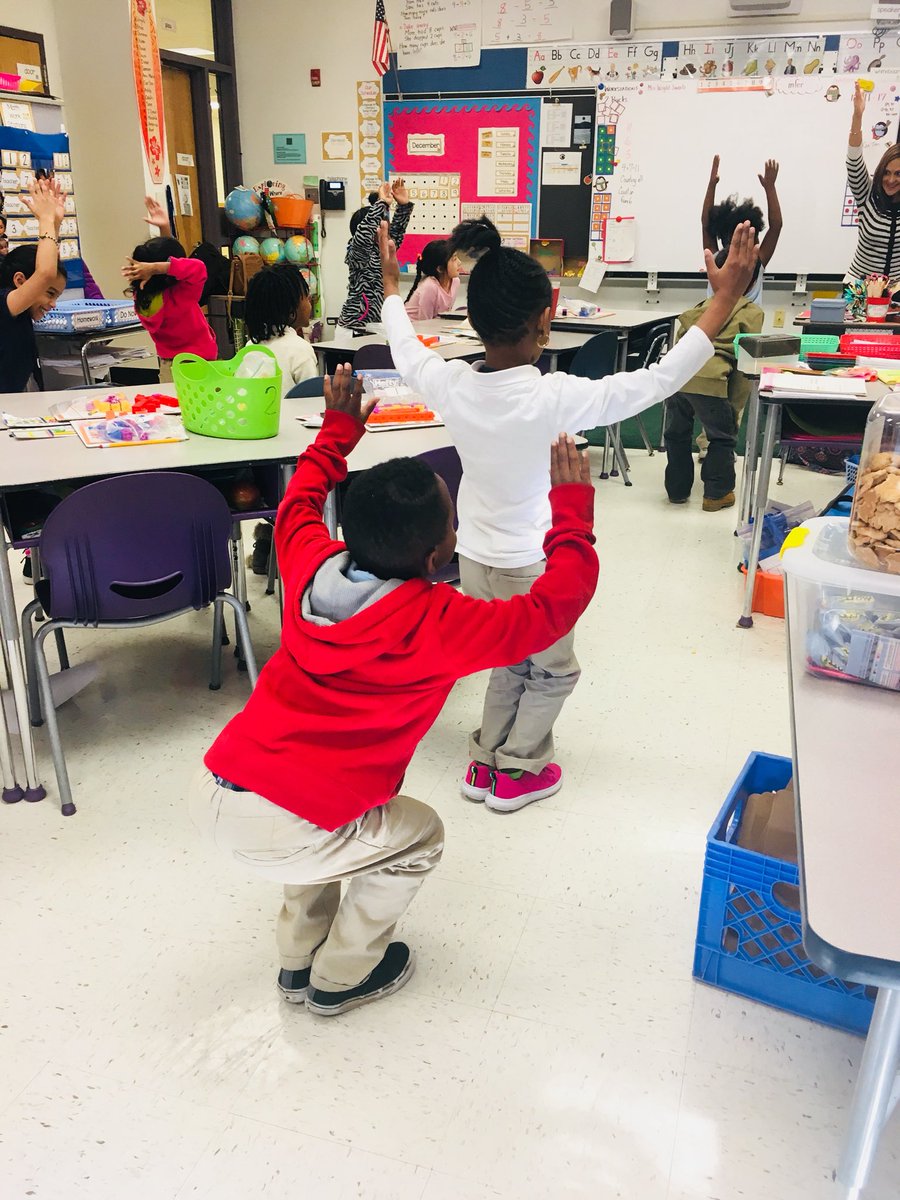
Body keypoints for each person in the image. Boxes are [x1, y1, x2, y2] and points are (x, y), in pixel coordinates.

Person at [190, 365, 598, 1017]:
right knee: (421, 834)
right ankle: (341, 973)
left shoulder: (305, 562)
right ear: (439, 557)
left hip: (224, 788)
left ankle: (296, 958)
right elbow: (550, 610)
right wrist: (571, 514)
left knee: (322, 815)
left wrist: (339, 430)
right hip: (291, 818)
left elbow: (300, 497)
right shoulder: (439, 622)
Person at [379, 215, 757, 810]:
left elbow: (403, 347)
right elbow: (658, 380)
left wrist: (391, 285)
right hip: (537, 567)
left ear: (473, 322)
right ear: (545, 322)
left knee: (506, 661)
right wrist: (726, 298)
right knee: (552, 670)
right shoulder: (556, 398)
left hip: (476, 563)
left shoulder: (451, 384)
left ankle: (484, 762)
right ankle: (520, 769)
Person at [697, 155, 781, 458]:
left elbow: (705, 222)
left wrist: (770, 187)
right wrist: (711, 185)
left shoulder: (749, 260)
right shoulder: (721, 259)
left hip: (738, 344)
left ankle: (716, 445)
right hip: (726, 342)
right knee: (726, 397)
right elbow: (777, 226)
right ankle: (715, 445)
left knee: (728, 397)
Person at [663, 267, 764, 511]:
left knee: (677, 434)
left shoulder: (698, 308)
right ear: (752, 284)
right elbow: (746, 362)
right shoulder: (752, 312)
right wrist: (735, 407)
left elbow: (680, 346)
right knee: (722, 436)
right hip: (713, 378)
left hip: (678, 378)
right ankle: (716, 495)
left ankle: (676, 491)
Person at [121, 196, 217, 382]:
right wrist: (156, 267)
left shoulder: (142, 296)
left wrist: (164, 229)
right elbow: (196, 267)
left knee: (173, 408)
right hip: (199, 365)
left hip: (168, 367)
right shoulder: (181, 296)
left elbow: (170, 267)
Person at [0, 178, 67, 394]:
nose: (52, 304)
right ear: (20, 281)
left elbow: (50, 269)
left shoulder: (20, 311)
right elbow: (46, 273)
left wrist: (55, 223)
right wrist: (45, 219)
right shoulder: (7, 303)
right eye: (50, 293)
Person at [334, 181, 413, 345]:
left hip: (376, 328)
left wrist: (404, 207)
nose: (386, 230)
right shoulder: (357, 253)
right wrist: (381, 203)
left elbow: (397, 231)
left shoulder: (383, 249)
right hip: (354, 329)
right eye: (380, 226)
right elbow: (363, 235)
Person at [847, 81, 900, 278]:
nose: (891, 179)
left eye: (898, 174)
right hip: (859, 288)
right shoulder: (867, 195)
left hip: (895, 291)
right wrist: (857, 116)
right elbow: (853, 161)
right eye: (886, 172)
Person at [245, 262, 317, 394]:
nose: (309, 302)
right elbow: (313, 398)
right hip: (292, 415)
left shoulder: (250, 346)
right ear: (290, 311)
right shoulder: (300, 349)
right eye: (306, 298)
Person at [404, 239, 461, 321]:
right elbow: (424, 323)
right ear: (440, 268)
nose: (459, 262)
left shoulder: (455, 282)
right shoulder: (430, 287)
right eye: (454, 259)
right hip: (411, 327)